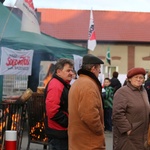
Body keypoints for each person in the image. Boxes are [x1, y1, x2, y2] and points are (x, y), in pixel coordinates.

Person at [68, 54, 106, 150]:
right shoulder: (88, 85)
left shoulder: (78, 82)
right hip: (89, 143)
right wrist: (100, 129)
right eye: (99, 69)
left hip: (78, 141)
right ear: (93, 69)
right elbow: (89, 115)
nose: (100, 71)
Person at [113, 67, 150, 150]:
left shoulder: (143, 91)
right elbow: (117, 113)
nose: (139, 79)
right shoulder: (122, 92)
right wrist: (127, 129)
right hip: (129, 136)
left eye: (141, 77)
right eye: (136, 77)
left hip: (142, 134)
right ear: (129, 79)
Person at [45, 58, 74, 150]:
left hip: (59, 132)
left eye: (72, 70)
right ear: (59, 72)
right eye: (68, 70)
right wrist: (68, 122)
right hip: (58, 132)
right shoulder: (56, 85)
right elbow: (52, 111)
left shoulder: (62, 84)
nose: (71, 73)